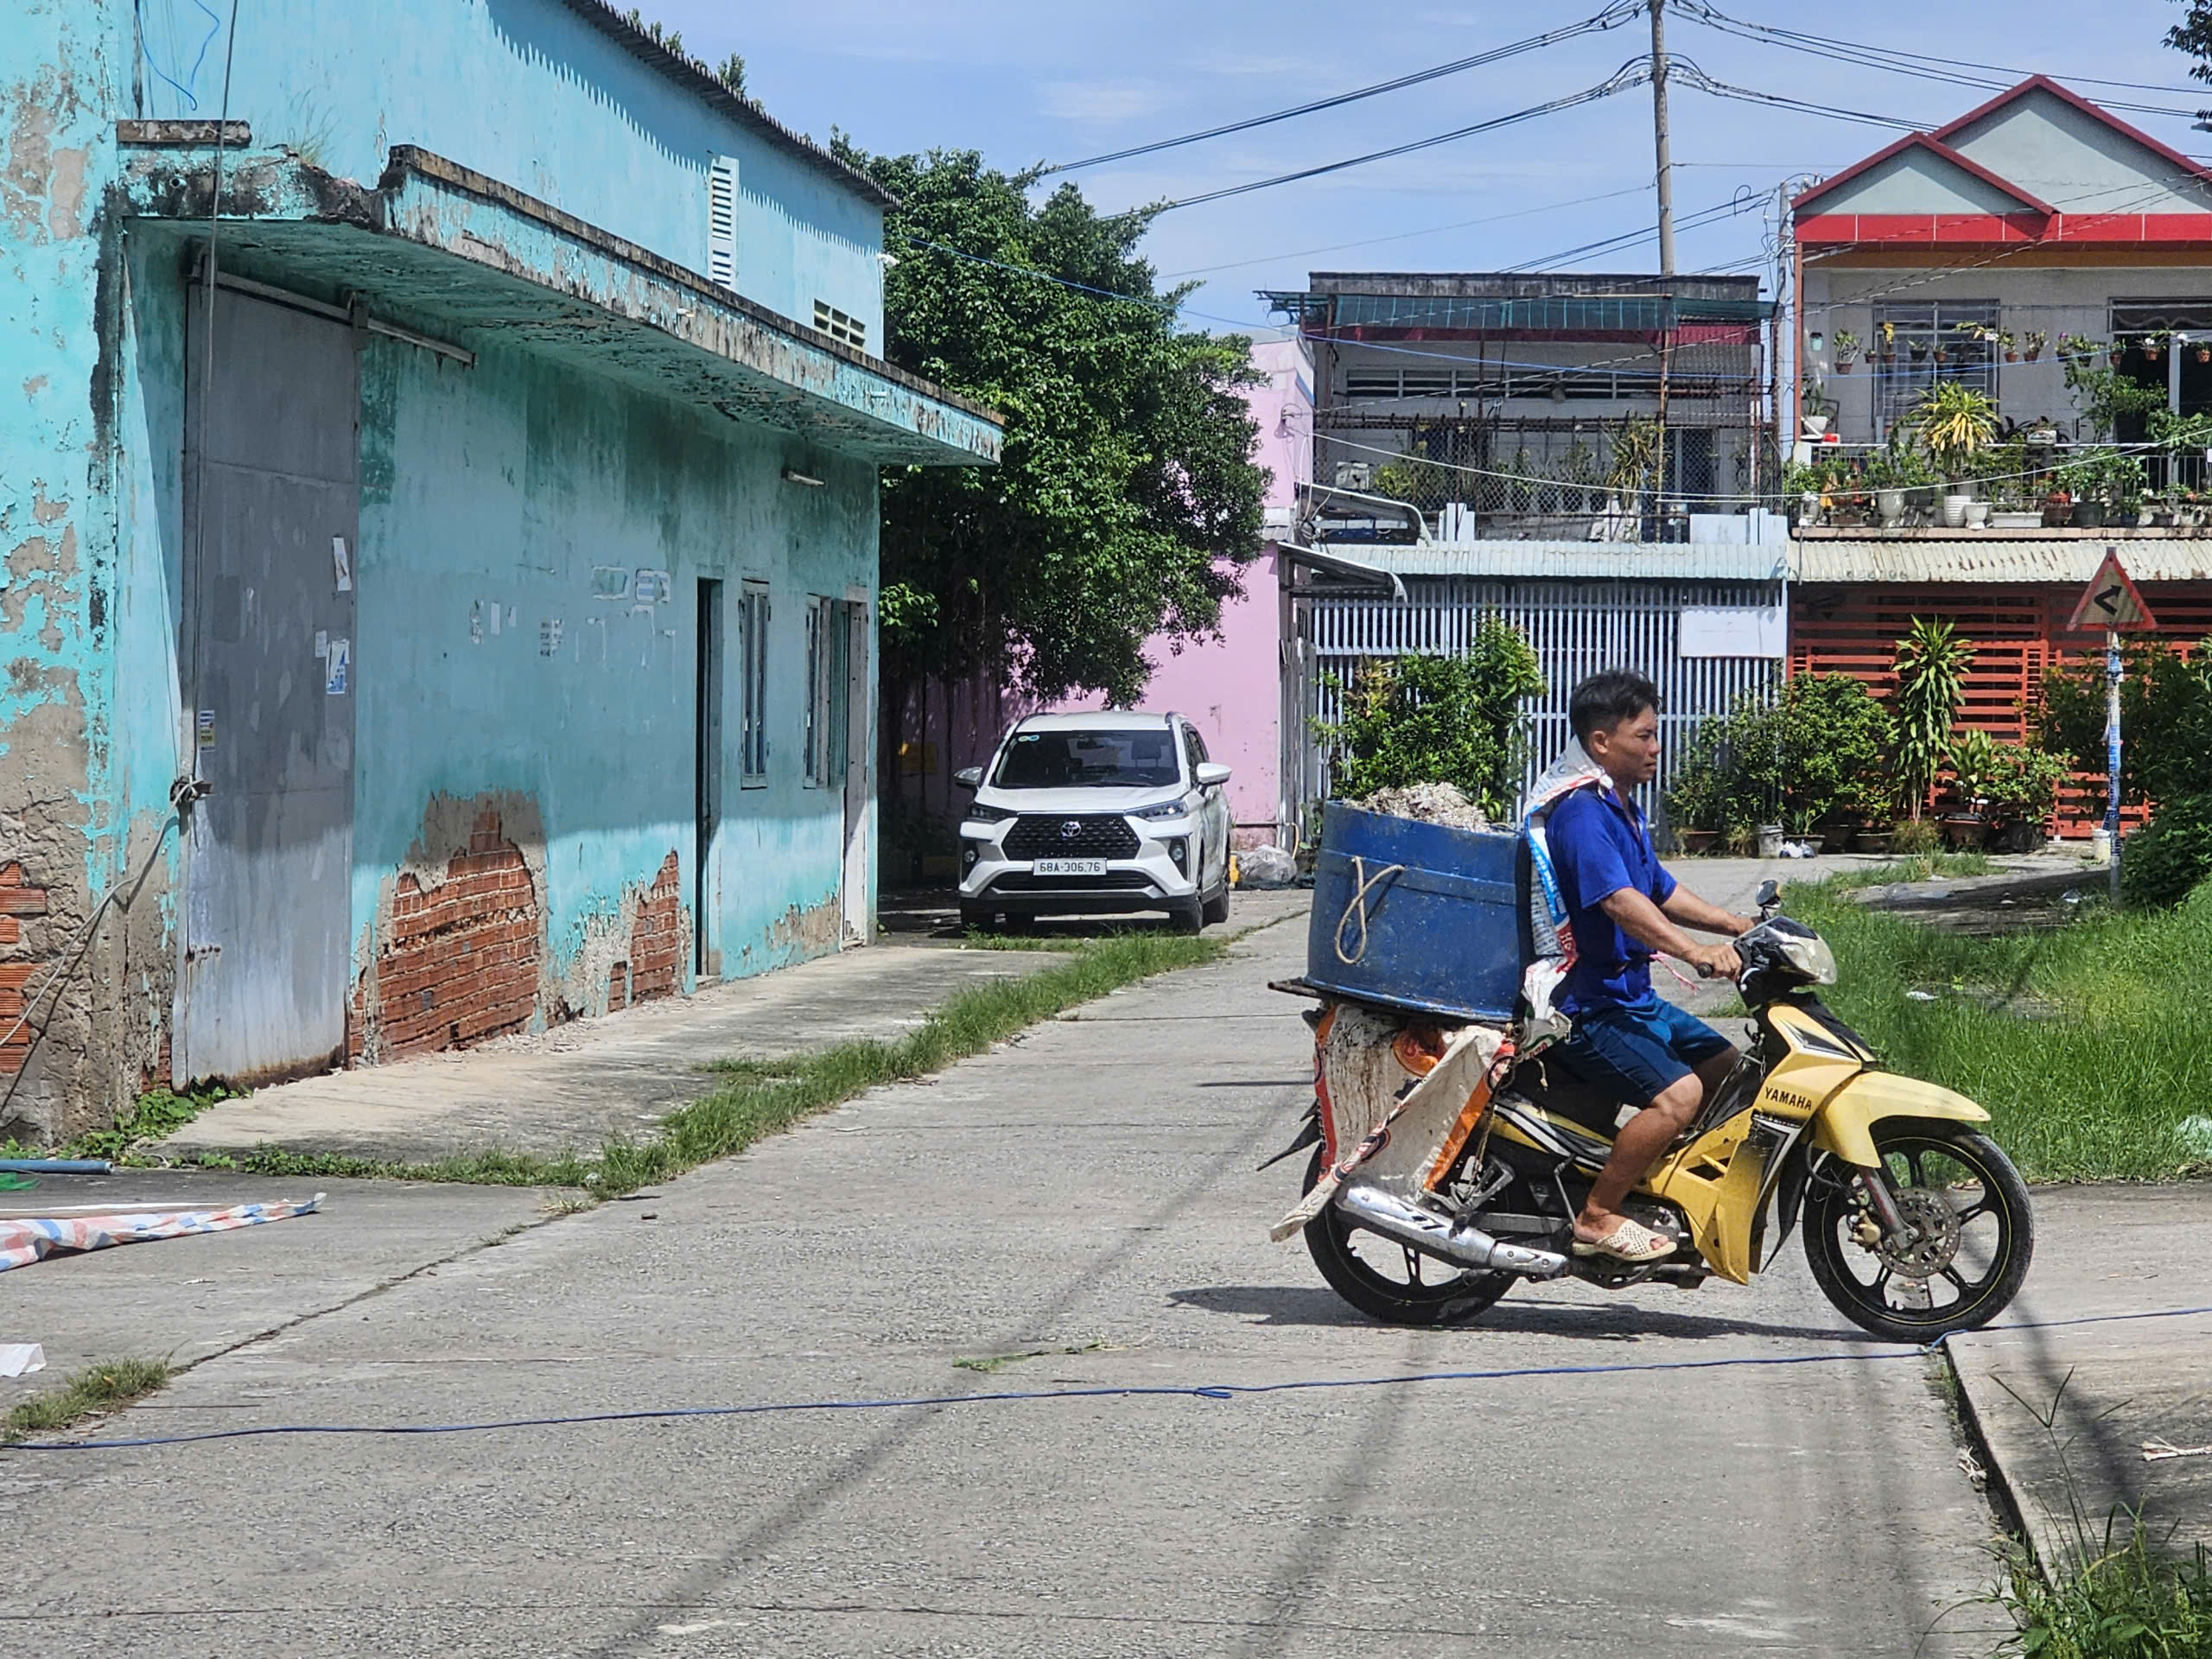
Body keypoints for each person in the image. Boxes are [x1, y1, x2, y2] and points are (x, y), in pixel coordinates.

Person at [1541, 670, 1759, 1264]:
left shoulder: (1621, 809)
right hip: (1587, 1006)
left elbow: (1660, 889)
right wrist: (1694, 952)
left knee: (1736, 1074)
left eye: (1655, 734)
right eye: (1643, 736)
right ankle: (1598, 1215)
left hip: (1632, 998)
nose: (1655, 747)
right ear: (1601, 741)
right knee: (1679, 1097)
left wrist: (1736, 926)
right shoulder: (1581, 814)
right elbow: (1618, 900)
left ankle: (1661, 1182)